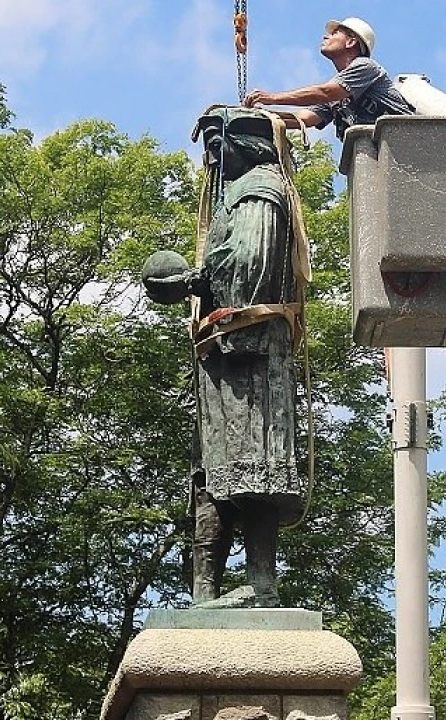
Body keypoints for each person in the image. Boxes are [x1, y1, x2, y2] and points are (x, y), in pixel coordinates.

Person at [142, 107, 307, 608]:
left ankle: (261, 584)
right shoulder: (239, 193)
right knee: (215, 472)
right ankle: (205, 592)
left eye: (217, 145)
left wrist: (198, 279)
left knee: (254, 467)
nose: (211, 158)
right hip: (225, 358)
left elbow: (251, 262)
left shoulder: (260, 188)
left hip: (248, 352)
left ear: (246, 143)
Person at [243, 17, 414, 140]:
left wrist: (272, 98)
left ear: (351, 42)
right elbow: (305, 119)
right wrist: (258, 116)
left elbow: (325, 92)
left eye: (335, 33)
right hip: (380, 153)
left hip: (407, 141)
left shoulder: (366, 67)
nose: (326, 36)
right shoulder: (337, 96)